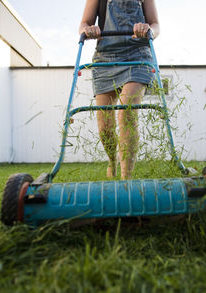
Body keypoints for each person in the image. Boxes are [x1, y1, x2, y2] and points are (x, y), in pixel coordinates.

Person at [79, 0, 159, 179]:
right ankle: (112, 160)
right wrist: (88, 30)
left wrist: (148, 30)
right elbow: (83, 24)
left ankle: (126, 178)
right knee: (105, 127)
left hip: (137, 55)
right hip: (105, 57)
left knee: (126, 112)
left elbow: (156, 25)